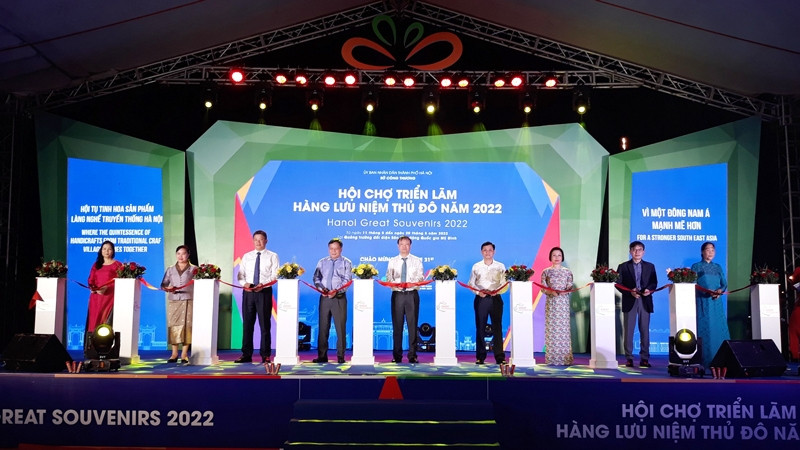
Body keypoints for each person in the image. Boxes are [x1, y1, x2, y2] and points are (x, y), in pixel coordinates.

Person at [235, 230, 279, 364]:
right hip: (248, 292)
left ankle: (265, 355)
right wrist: (245, 284)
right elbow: (240, 276)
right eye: (256, 240)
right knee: (248, 324)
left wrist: (263, 285)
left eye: (261, 240)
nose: (258, 242)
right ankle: (246, 354)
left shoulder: (272, 256)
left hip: (264, 292)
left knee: (265, 325)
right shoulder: (247, 256)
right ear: (253, 241)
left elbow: (275, 275)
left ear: (266, 241)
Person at [616, 241, 657, 368]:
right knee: (629, 330)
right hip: (630, 300)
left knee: (644, 330)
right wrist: (630, 292)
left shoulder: (650, 266)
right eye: (634, 249)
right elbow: (618, 284)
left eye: (640, 249)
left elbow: (653, 282)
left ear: (643, 252)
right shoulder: (623, 266)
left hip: (645, 300)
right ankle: (629, 358)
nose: (637, 252)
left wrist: (648, 290)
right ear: (630, 251)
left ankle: (644, 358)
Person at [311, 238, 353, 364]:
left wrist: (336, 291)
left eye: (336, 248)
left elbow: (347, 280)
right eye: (331, 249)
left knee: (340, 328)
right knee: (323, 327)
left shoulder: (346, 263)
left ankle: (341, 356)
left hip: (339, 298)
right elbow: (316, 278)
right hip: (324, 298)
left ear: (341, 249)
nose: (333, 251)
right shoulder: (322, 262)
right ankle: (322, 356)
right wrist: (323, 289)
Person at [690, 241, 730, 368]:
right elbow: (693, 284)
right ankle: (706, 360)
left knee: (718, 329)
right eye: (708, 250)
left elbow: (724, 283)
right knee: (706, 330)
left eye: (713, 250)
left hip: (716, 302)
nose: (710, 252)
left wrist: (720, 291)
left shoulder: (717, 267)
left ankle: (722, 360)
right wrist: (707, 292)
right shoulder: (696, 266)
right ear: (702, 252)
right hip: (703, 301)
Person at [386, 236, 424, 363]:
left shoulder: (417, 261)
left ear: (410, 246)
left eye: (407, 244)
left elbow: (420, 277)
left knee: (412, 326)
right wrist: (395, 284)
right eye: (401, 244)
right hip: (397, 295)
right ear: (398, 246)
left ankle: (412, 355)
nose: (404, 247)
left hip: (411, 295)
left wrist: (412, 283)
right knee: (397, 326)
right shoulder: (392, 261)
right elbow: (388, 277)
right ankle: (397, 356)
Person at [468, 241, 507, 365]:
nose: (487, 252)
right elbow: (471, 283)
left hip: (496, 298)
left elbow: (504, 282)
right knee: (480, 327)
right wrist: (478, 293)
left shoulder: (500, 266)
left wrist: (498, 291)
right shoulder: (476, 266)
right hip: (482, 298)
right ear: (481, 252)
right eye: (485, 250)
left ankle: (499, 357)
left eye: (490, 250)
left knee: (497, 327)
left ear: (494, 252)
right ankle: (480, 356)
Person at [160, 245, 196, 363]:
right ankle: (174, 354)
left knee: (187, 326)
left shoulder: (194, 269)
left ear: (188, 255)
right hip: (174, 300)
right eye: (178, 253)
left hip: (189, 300)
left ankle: (184, 354)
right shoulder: (170, 269)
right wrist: (168, 288)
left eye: (184, 253)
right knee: (174, 326)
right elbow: (163, 284)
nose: (181, 256)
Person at [540, 247, 574, 365]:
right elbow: (543, 287)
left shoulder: (567, 272)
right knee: (552, 330)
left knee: (563, 331)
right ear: (550, 257)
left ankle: (565, 359)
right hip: (552, 303)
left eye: (559, 255)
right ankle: (552, 359)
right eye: (554, 255)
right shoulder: (546, 271)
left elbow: (570, 286)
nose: (557, 258)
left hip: (563, 304)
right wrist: (551, 292)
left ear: (562, 257)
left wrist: (563, 292)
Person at [86, 240, 123, 333]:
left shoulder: (118, 265)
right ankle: (92, 344)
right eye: (104, 249)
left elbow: (120, 281)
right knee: (94, 322)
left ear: (113, 251)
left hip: (110, 298)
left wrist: (107, 288)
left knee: (106, 324)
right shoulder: (96, 265)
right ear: (101, 251)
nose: (107, 251)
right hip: (96, 298)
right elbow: (91, 280)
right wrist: (92, 288)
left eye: (109, 249)